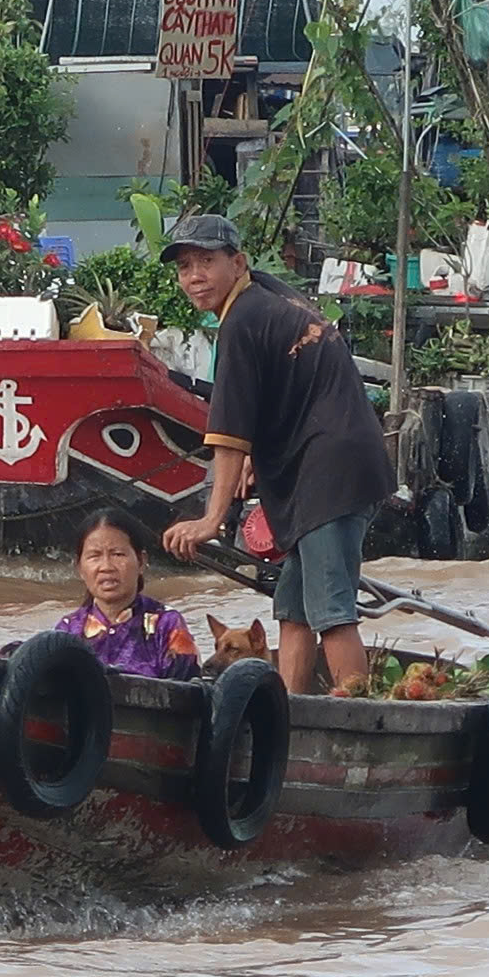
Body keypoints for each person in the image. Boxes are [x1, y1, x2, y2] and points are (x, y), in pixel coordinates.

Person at [158, 216, 395, 695]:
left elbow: (226, 437)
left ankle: (358, 719)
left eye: (207, 262)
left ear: (237, 262)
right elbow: (281, 391)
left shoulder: (240, 322)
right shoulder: (268, 294)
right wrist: (252, 461)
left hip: (330, 474)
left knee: (331, 611)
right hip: (335, 461)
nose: (195, 276)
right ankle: (287, 708)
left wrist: (211, 520)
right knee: (293, 606)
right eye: (185, 267)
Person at [54, 509, 202, 681]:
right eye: (94, 556)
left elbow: (188, 696)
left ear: (141, 561)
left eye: (118, 554)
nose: (106, 566)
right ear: (79, 568)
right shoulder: (67, 631)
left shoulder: (167, 624)